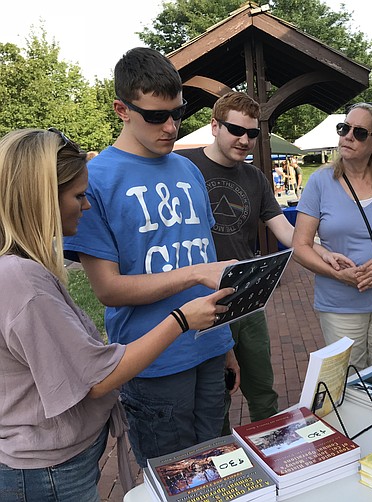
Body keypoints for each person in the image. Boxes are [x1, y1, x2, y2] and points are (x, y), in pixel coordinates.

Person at [0, 128, 232, 501]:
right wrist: (182, 319)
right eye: (77, 196)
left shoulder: (22, 270)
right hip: (47, 472)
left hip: (54, 463)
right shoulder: (21, 280)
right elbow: (95, 376)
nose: (86, 205)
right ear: (41, 199)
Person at [63, 47, 238, 468]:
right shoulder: (97, 179)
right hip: (153, 363)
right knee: (174, 478)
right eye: (156, 116)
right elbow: (108, 289)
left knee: (223, 471)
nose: (171, 127)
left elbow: (207, 253)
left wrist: (225, 343)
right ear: (122, 109)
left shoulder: (189, 169)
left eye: (178, 113)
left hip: (210, 348)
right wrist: (192, 274)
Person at [177, 91, 353, 432]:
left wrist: (322, 250)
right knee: (215, 397)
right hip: (202, 300)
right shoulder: (185, 168)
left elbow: (287, 233)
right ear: (214, 126)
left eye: (252, 133)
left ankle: (271, 450)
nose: (245, 140)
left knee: (262, 391)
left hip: (246, 300)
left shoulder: (255, 178)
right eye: (235, 130)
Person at [292, 103, 372, 368]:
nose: (348, 136)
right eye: (344, 128)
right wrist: (339, 275)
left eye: (359, 132)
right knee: (349, 383)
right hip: (339, 305)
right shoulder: (320, 182)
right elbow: (300, 246)